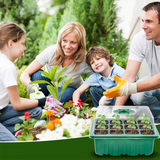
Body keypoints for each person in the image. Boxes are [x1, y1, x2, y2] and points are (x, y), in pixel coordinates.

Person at [104, 2, 160, 123]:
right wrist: (116, 112)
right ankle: (157, 122)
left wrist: (132, 88)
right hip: (156, 86)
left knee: (136, 90)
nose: (143, 26)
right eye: (143, 21)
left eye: (149, 21)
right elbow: (129, 75)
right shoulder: (141, 38)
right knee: (138, 95)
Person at [20, 21, 93, 103]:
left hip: (72, 92)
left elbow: (97, 77)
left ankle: (46, 106)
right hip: (51, 89)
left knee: (60, 96)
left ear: (80, 43)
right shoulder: (51, 52)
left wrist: (81, 89)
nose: (68, 46)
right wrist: (30, 85)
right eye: (64, 41)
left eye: (73, 42)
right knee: (37, 75)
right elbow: (24, 74)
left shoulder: (84, 59)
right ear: (60, 40)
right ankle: (43, 105)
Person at [0, 22, 46, 141]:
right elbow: (17, 104)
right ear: (11, 43)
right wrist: (42, 101)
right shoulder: (7, 66)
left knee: (35, 112)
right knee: (13, 146)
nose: (25, 48)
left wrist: (38, 103)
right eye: (22, 44)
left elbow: (15, 100)